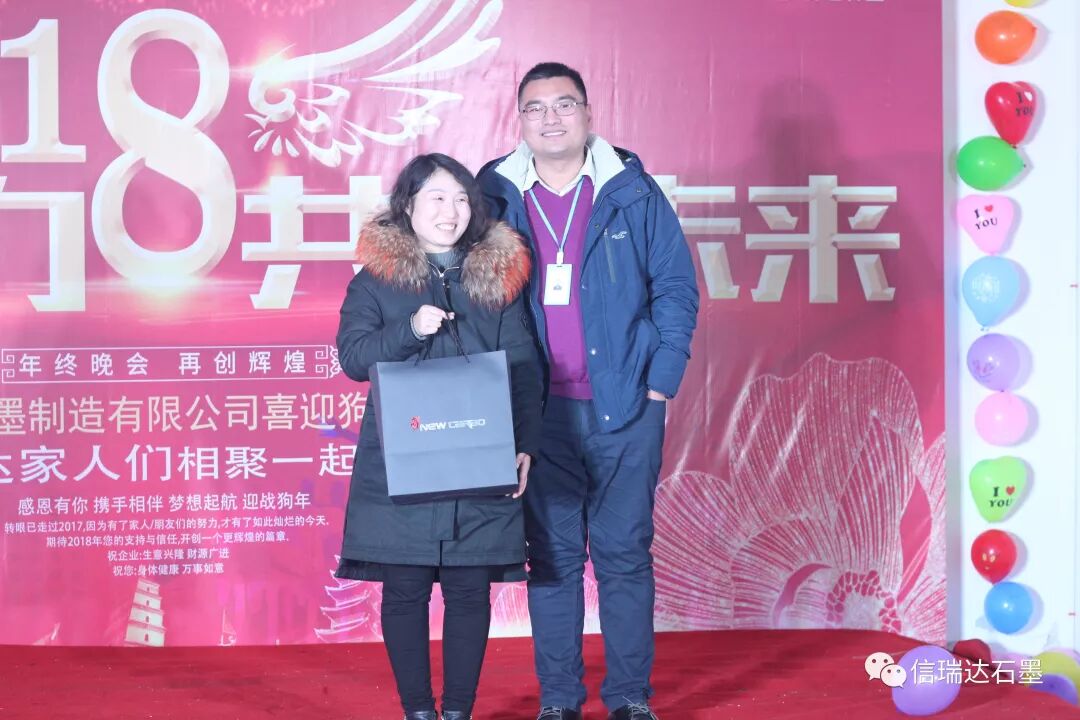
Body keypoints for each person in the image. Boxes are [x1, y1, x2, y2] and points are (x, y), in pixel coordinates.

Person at [477, 63, 700, 720]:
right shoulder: (494, 196)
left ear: (588, 113)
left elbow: (676, 288)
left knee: (624, 557)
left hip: (626, 408)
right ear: (520, 120)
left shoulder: (632, 190)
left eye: (564, 104)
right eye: (536, 107)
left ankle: (629, 698)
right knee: (552, 561)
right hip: (537, 415)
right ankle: (559, 702)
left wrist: (660, 384)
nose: (551, 118)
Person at [335, 153, 543, 720]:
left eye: (460, 199)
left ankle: (457, 712)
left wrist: (525, 444)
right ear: (408, 206)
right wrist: (409, 329)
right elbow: (353, 358)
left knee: (470, 592)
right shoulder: (375, 281)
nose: (450, 211)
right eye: (436, 198)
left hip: (482, 455)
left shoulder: (496, 278)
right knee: (404, 590)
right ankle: (418, 711)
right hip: (403, 459)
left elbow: (524, 366)